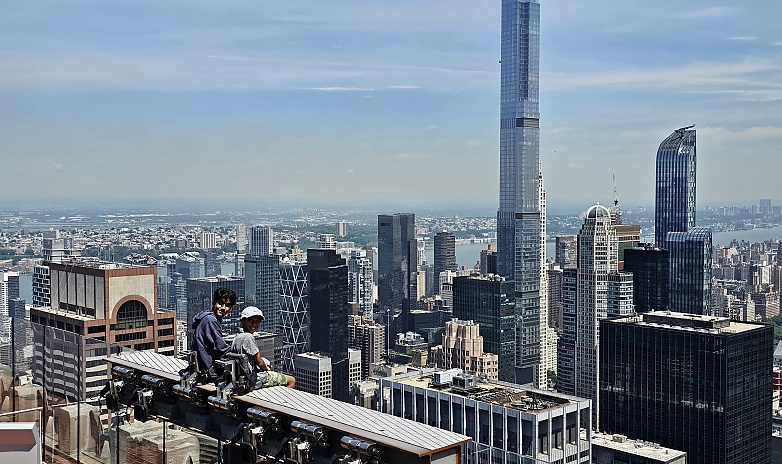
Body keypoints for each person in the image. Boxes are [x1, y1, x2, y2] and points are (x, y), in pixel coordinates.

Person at [231, 306, 295, 389]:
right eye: (251, 321)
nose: (254, 324)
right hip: (252, 380)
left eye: (257, 321)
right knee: (291, 380)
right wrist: (268, 371)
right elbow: (260, 362)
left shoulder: (237, 337)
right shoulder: (248, 337)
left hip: (240, 378)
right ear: (242, 320)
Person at [192, 287, 236, 376]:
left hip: (202, 365)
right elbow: (221, 348)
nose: (223, 308)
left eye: (227, 305)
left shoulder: (207, 317)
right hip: (209, 369)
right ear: (213, 303)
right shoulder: (210, 320)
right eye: (220, 303)